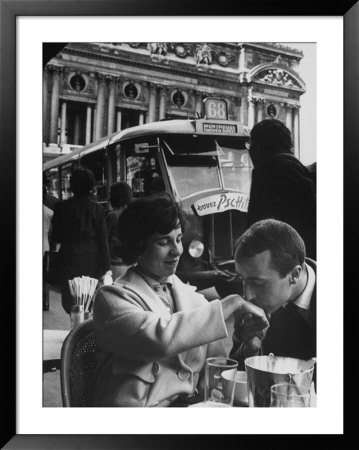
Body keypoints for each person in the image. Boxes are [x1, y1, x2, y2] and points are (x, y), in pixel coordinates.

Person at [93, 193, 268, 407]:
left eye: (178, 239)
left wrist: (246, 348)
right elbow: (159, 338)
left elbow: (219, 374)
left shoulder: (194, 300)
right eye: (163, 242)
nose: (177, 250)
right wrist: (231, 304)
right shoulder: (112, 299)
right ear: (138, 247)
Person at [230, 219, 316, 371]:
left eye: (258, 283)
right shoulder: (257, 302)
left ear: (294, 275)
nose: (247, 296)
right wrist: (250, 350)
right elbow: (232, 374)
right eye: (242, 279)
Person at [246, 119, 316, 259]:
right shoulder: (298, 169)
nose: (250, 150)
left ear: (258, 147)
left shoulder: (267, 170)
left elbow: (257, 226)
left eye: (251, 144)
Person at [52, 167, 111, 314]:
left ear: (72, 185)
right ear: (91, 185)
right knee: (87, 296)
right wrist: (106, 267)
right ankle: (83, 330)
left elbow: (56, 237)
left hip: (68, 257)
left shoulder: (60, 208)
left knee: (70, 298)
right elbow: (102, 240)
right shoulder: (97, 209)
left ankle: (74, 328)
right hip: (91, 258)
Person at [106, 181, 132, 280]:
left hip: (116, 264)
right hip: (132, 262)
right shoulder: (135, 212)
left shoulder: (112, 216)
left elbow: (106, 240)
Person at [43, 185, 53, 311]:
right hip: (44, 247)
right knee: (45, 276)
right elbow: (52, 233)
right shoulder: (49, 213)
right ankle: (45, 302)